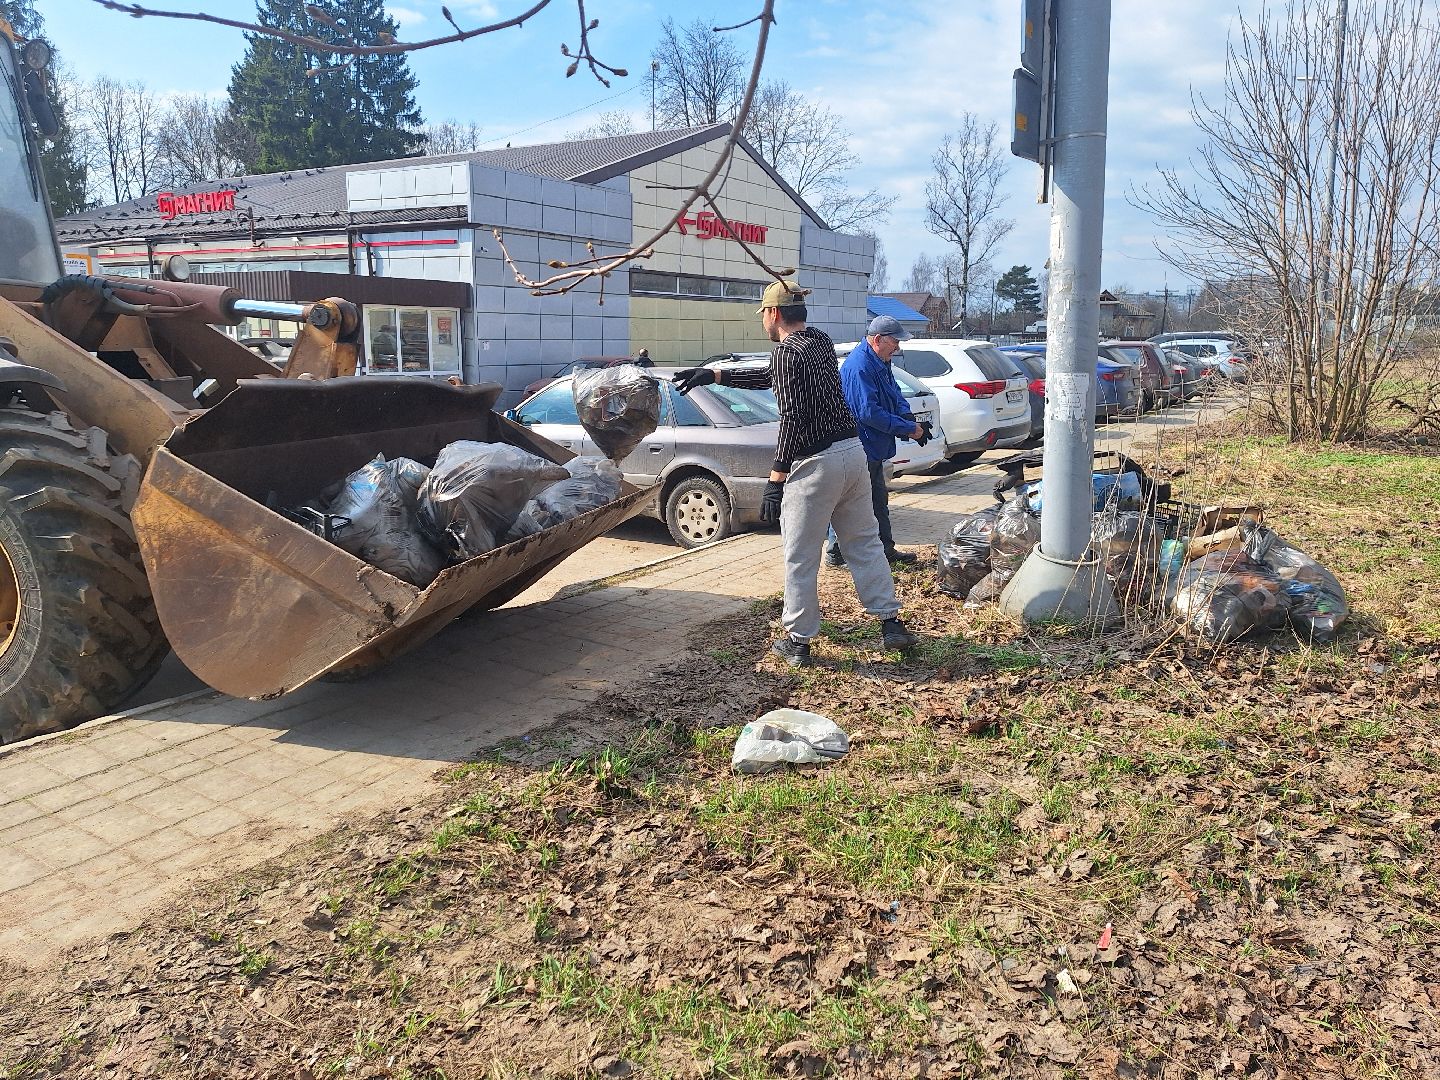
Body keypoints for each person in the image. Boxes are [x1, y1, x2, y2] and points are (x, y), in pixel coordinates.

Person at [671, 280, 919, 667]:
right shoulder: (818, 341)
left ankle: (798, 641)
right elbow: (771, 375)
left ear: (773, 313)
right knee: (865, 543)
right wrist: (715, 376)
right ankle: (891, 624)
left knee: (800, 556)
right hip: (853, 453)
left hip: (817, 464)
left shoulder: (787, 353)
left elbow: (792, 419)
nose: (763, 323)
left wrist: (776, 478)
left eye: (763, 315)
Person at [826, 315, 932, 569]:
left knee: (877, 499)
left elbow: (894, 393)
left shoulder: (880, 361)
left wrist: (908, 418)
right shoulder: (859, 367)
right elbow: (868, 413)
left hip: (874, 446)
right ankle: (836, 553)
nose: (898, 347)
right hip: (860, 446)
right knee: (851, 502)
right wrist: (908, 429)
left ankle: (885, 549)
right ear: (877, 340)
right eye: (895, 342)